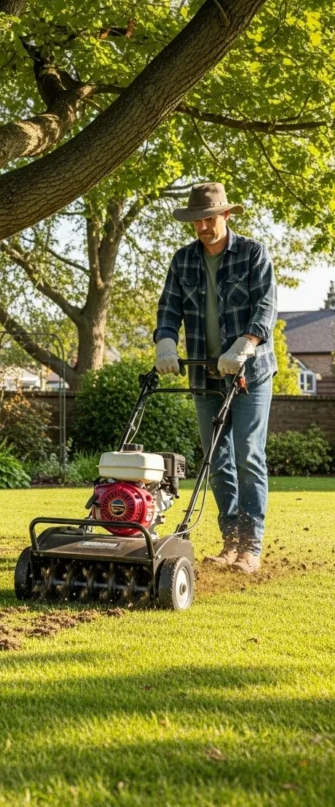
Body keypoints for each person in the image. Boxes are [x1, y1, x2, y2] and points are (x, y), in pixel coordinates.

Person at [153, 182, 277, 574]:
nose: (203, 227)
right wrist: (166, 344)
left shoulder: (252, 253)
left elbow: (266, 304)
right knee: (216, 460)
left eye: (209, 218)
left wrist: (245, 343)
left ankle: (251, 546)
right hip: (205, 374)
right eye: (197, 221)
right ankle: (230, 543)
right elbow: (169, 308)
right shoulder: (183, 260)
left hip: (249, 373)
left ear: (225, 215)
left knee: (248, 456)